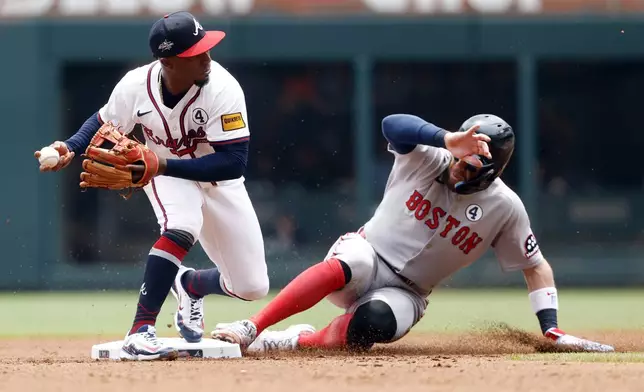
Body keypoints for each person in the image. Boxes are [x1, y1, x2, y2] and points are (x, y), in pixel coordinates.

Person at [210, 113, 615, 354]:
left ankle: (296, 341)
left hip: (407, 293)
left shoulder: (505, 207)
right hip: (367, 255)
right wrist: (447, 140)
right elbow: (393, 124)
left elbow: (536, 266)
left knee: (374, 325)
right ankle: (253, 326)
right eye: (460, 157)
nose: (459, 166)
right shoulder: (429, 155)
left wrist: (551, 327)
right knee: (351, 262)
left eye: (471, 165)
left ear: (493, 171)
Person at [34, 11, 269, 361]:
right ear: (169, 62)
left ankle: (190, 285)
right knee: (182, 225)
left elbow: (234, 162)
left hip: (215, 178)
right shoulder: (135, 86)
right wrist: (69, 146)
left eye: (206, 48)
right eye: (197, 53)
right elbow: (102, 120)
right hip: (163, 174)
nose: (207, 57)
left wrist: (164, 163)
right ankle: (140, 330)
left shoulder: (223, 88)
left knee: (252, 287)